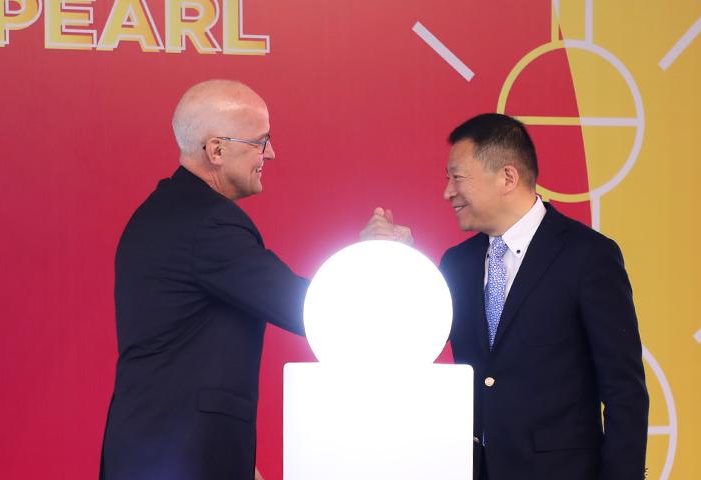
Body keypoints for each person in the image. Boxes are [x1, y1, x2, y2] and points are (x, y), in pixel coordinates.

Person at [364, 113, 649, 479]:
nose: (447, 191)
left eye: (457, 177)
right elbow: (408, 343)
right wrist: (395, 261)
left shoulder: (588, 256)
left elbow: (625, 391)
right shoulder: (457, 264)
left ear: (507, 177)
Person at [100, 80, 308, 480]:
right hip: (176, 460)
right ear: (216, 150)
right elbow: (302, 307)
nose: (270, 153)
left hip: (159, 451)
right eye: (261, 141)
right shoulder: (209, 223)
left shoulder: (166, 211)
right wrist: (374, 262)